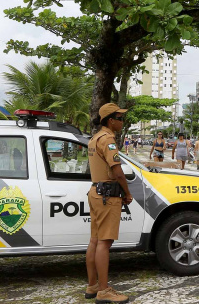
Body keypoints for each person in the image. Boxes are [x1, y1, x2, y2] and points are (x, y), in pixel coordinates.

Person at [86, 103, 133, 303]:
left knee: (95, 241)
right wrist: (127, 193)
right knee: (104, 243)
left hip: (96, 192)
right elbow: (117, 172)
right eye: (119, 118)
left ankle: (93, 286)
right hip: (107, 196)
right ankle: (104, 291)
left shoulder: (94, 138)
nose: (122, 122)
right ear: (110, 120)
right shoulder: (108, 140)